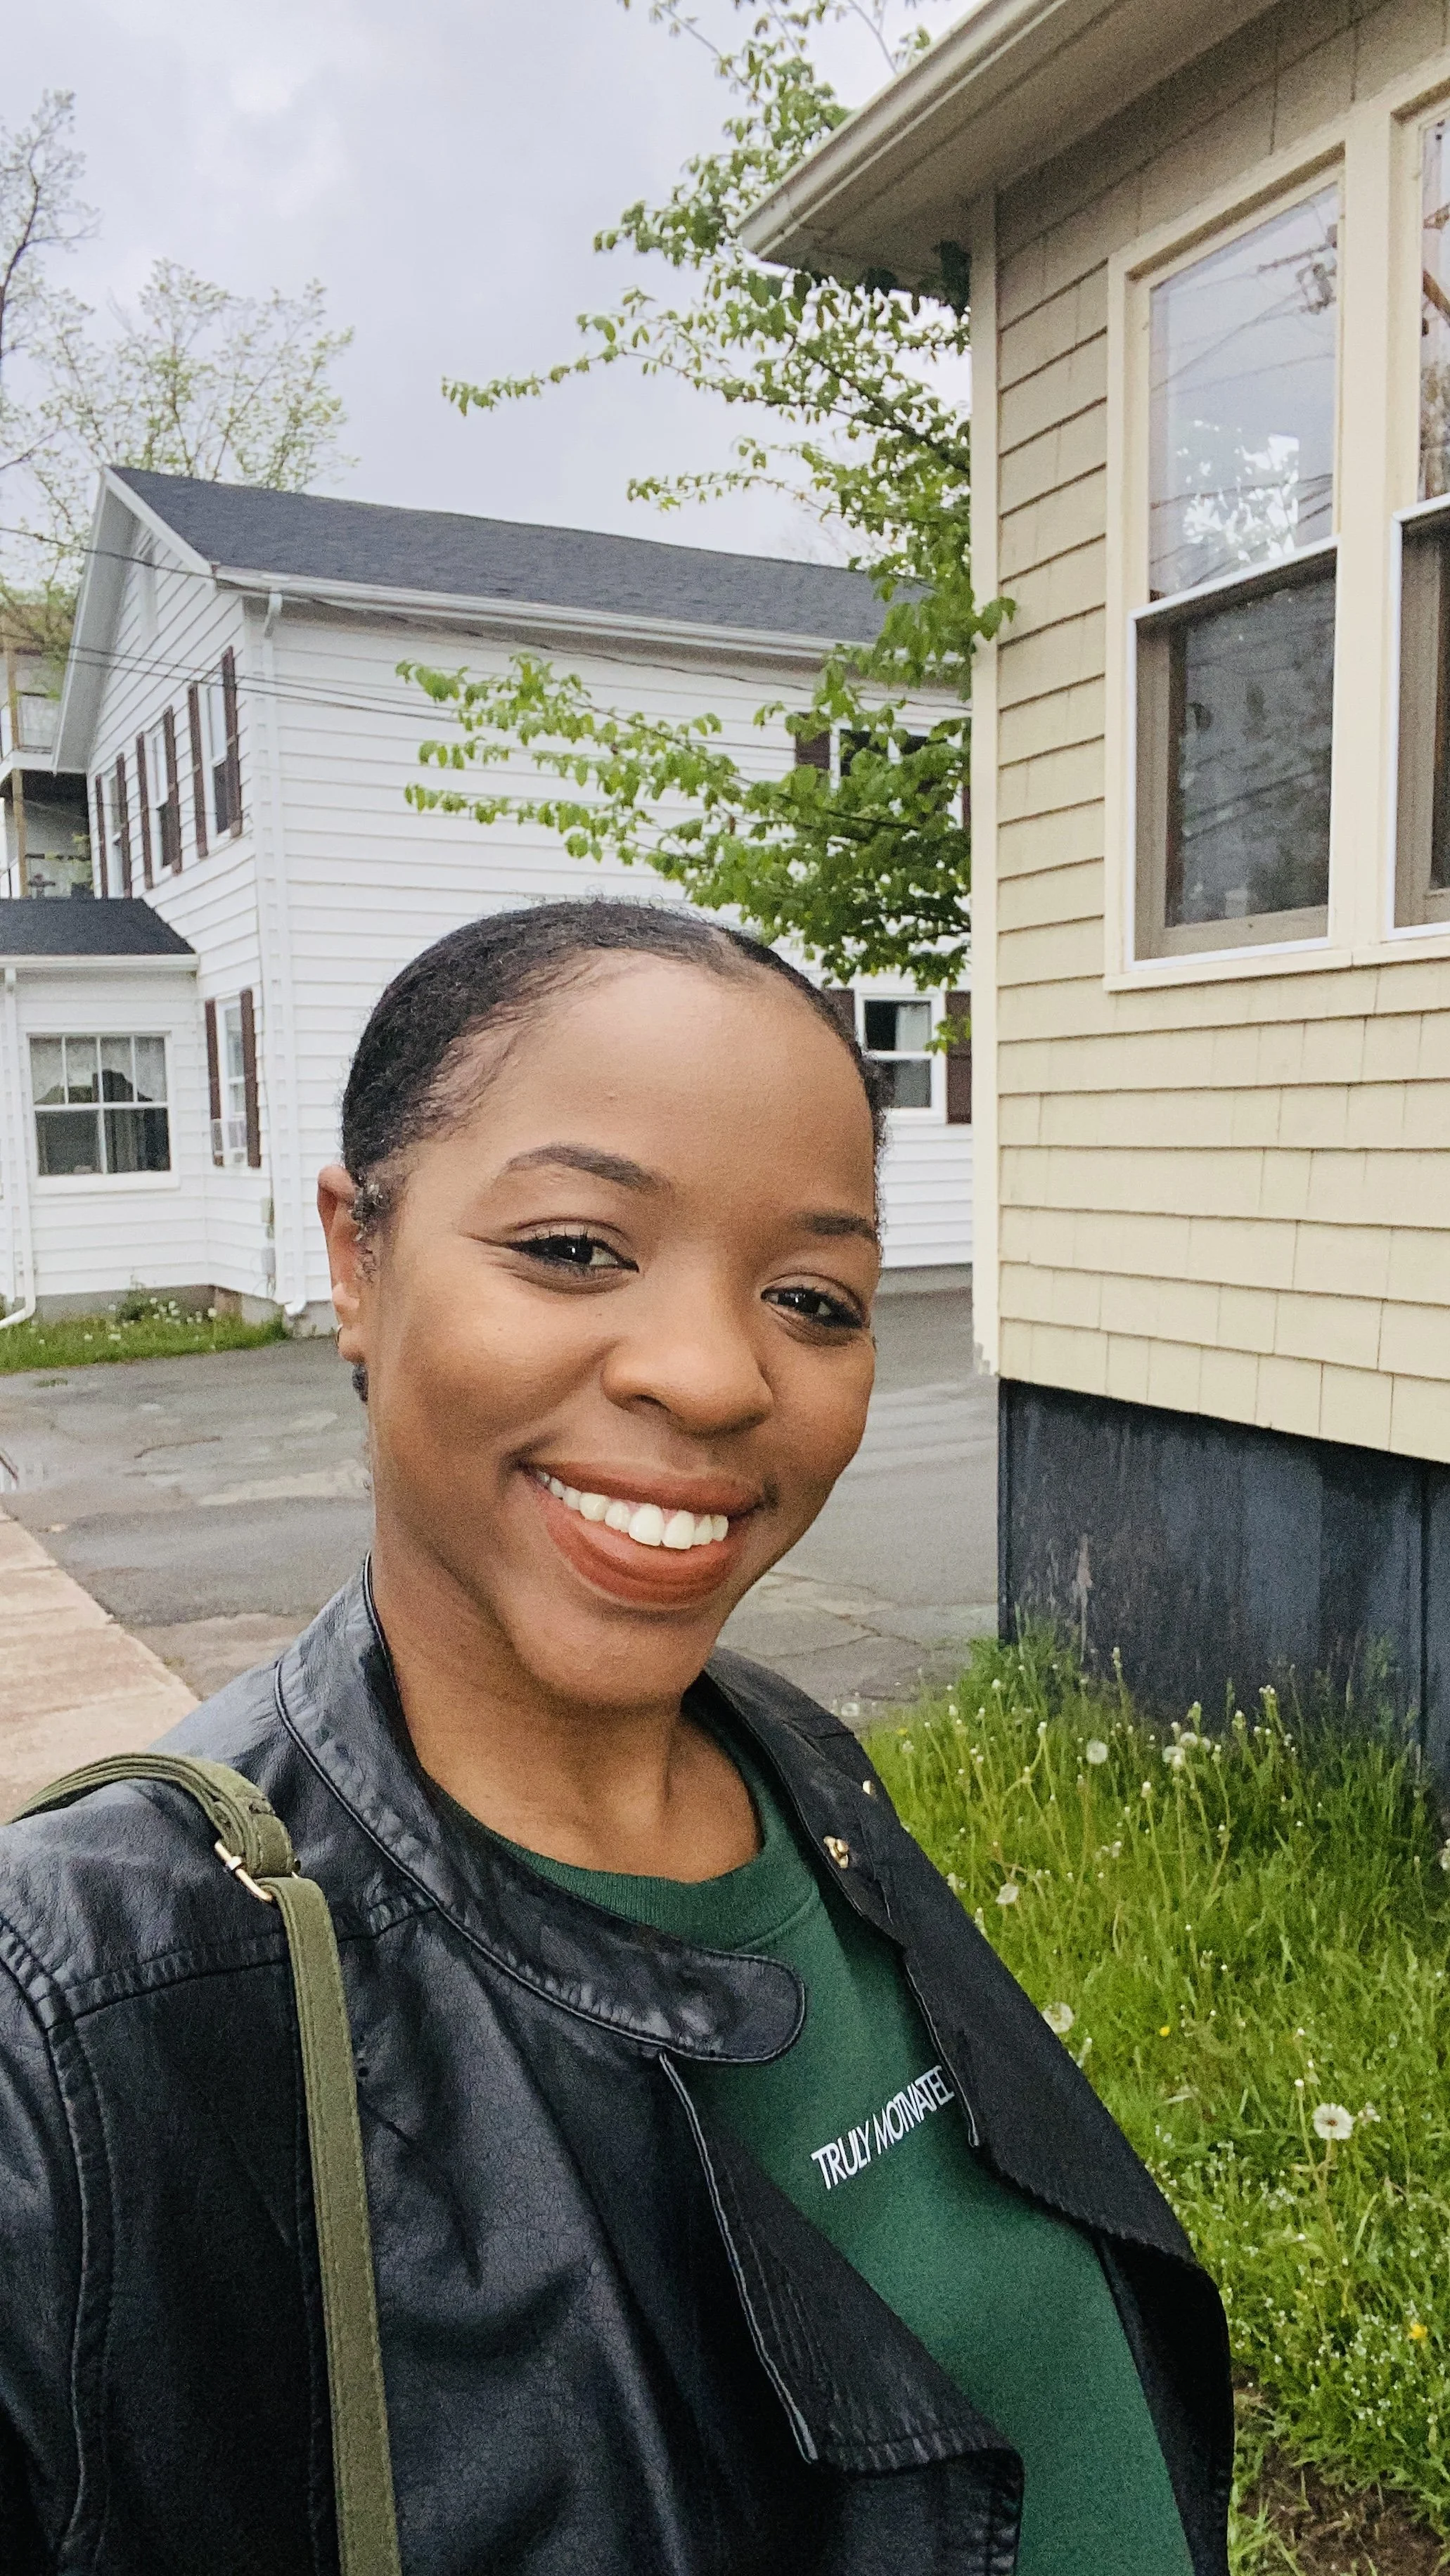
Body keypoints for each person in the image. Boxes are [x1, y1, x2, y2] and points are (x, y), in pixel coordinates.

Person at [0, 902, 1231, 2575]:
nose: (716, 1375)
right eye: (576, 1246)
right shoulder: (89, 2000)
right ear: (357, 1257)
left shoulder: (799, 1767)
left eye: (812, 1294)